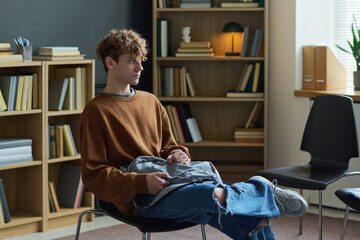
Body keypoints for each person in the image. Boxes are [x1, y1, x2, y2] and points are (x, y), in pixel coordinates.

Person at [80, 29, 308, 240]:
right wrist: (140, 183)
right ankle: (262, 189)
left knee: (256, 218)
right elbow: (94, 176)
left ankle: (259, 191)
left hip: (173, 181)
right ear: (110, 63)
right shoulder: (96, 112)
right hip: (139, 198)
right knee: (213, 196)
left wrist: (179, 154)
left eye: (141, 61)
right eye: (131, 61)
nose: (140, 67)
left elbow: (168, 146)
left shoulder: (150, 101)